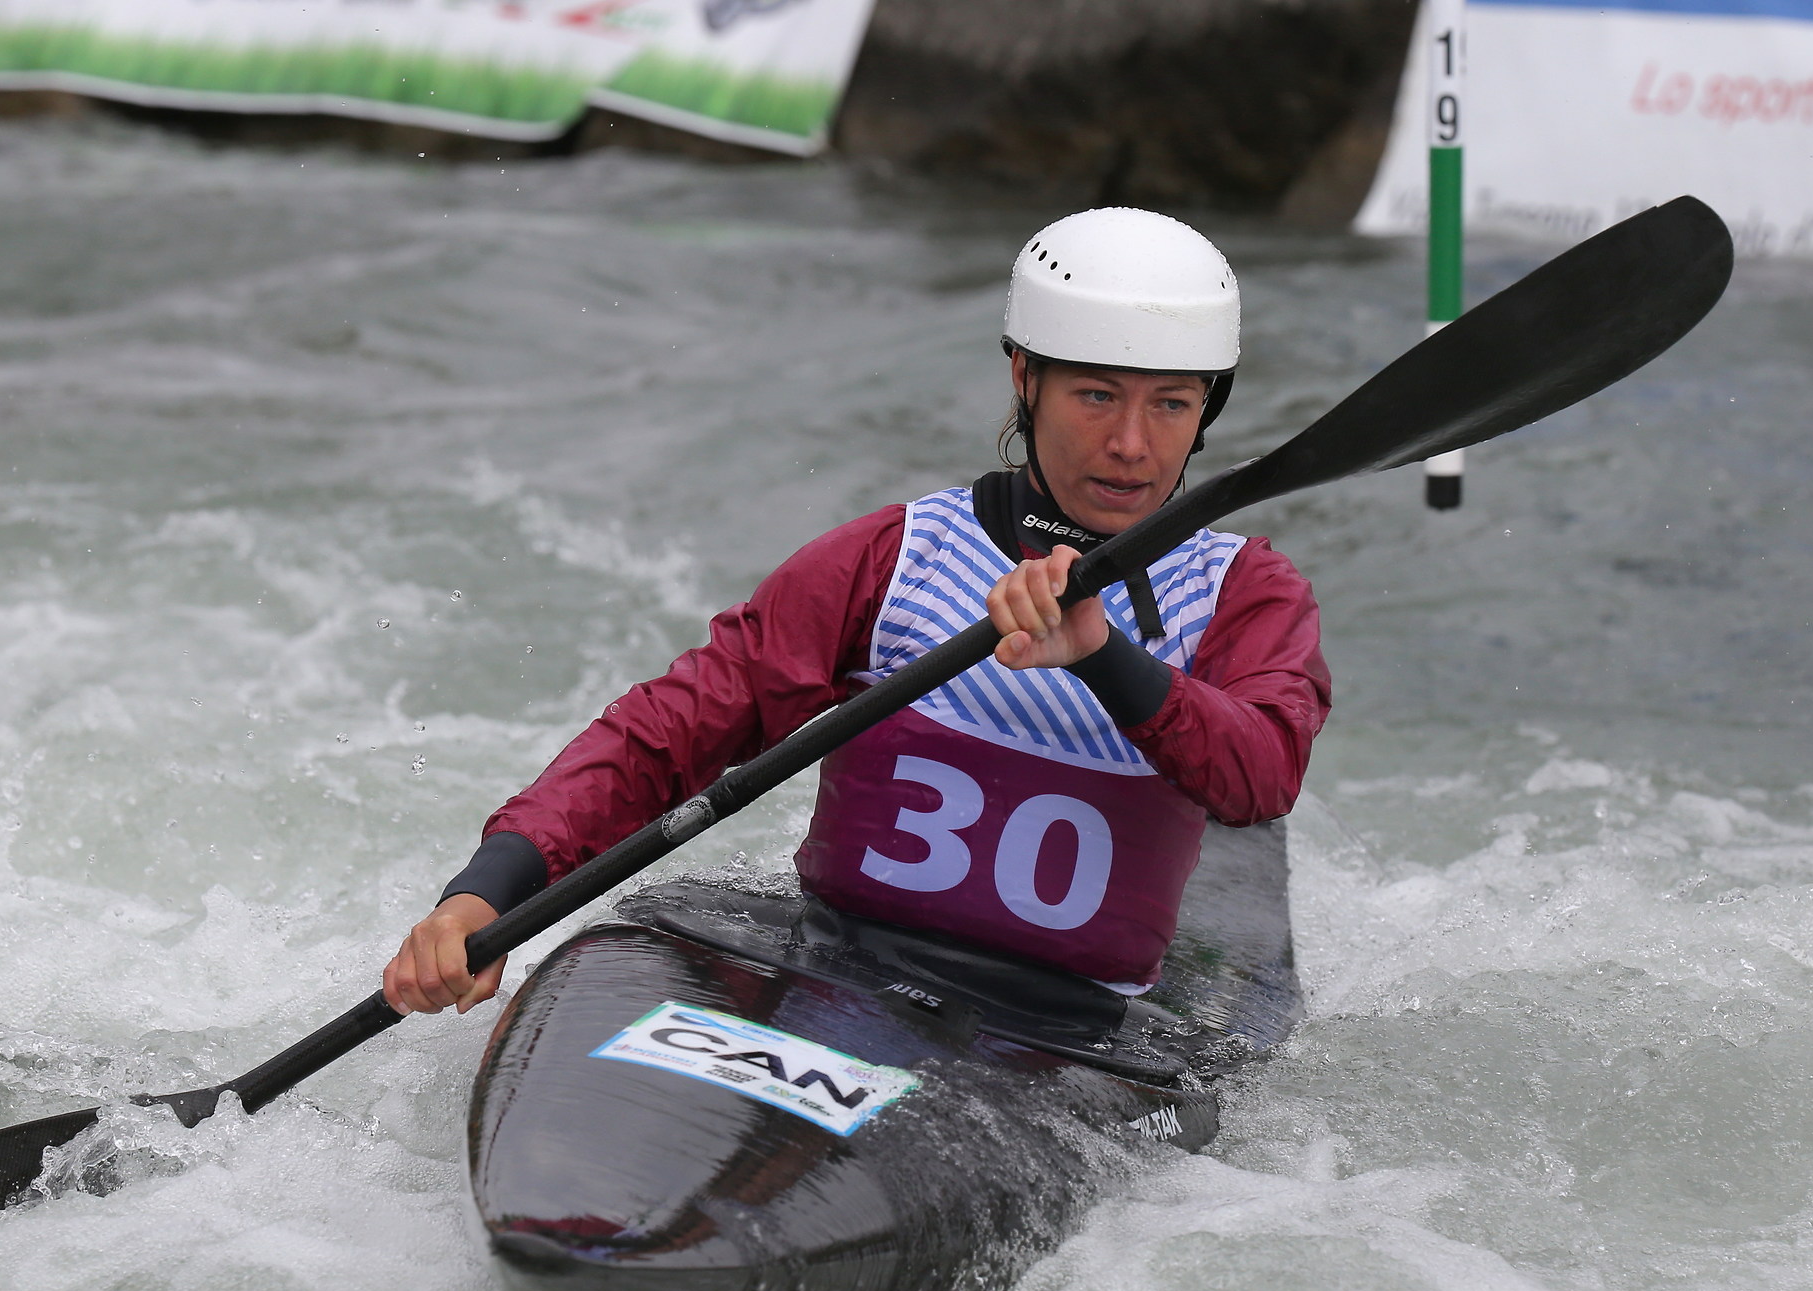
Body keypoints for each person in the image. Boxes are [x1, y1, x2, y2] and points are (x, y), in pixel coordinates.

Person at [384, 207, 1330, 1016]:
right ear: (1022, 378)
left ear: (1209, 408)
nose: (1131, 443)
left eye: (1171, 404)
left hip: (1077, 1018)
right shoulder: (894, 559)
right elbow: (668, 733)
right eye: (1095, 394)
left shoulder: (1244, 591)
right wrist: (487, 893)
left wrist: (1101, 655)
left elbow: (1259, 778)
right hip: (844, 966)